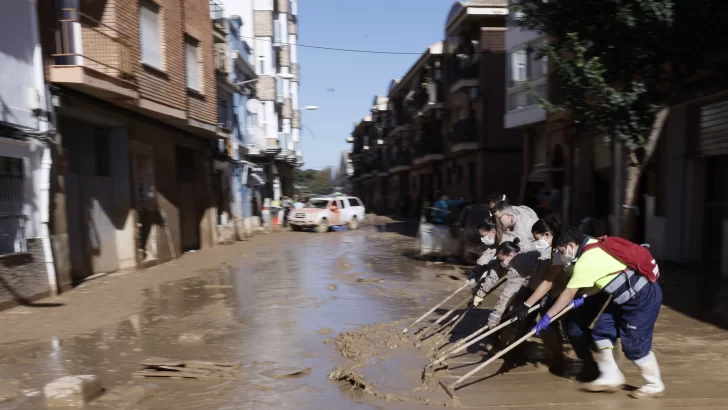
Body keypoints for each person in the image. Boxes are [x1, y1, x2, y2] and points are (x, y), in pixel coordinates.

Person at [532, 227, 664, 399]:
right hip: (623, 298)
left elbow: (567, 293)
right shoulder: (593, 244)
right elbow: (602, 277)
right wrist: (582, 295)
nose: (561, 254)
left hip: (641, 300)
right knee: (601, 333)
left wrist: (547, 317)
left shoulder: (585, 260)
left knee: (634, 347)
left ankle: (654, 384)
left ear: (572, 245)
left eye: (562, 250)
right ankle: (611, 376)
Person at [507, 216, 599, 380]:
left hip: (591, 290)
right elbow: (551, 280)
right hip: (572, 289)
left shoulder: (568, 246)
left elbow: (560, 282)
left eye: (538, 239)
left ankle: (593, 359)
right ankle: (561, 364)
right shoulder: (559, 251)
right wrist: (528, 305)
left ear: (548, 235)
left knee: (572, 327)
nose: (537, 243)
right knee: (554, 324)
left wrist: (542, 304)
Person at [465, 218, 499, 286]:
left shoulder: (506, 242)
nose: (482, 239)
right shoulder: (493, 243)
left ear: (493, 231)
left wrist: (484, 278)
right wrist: (475, 272)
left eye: (483, 236)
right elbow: (487, 256)